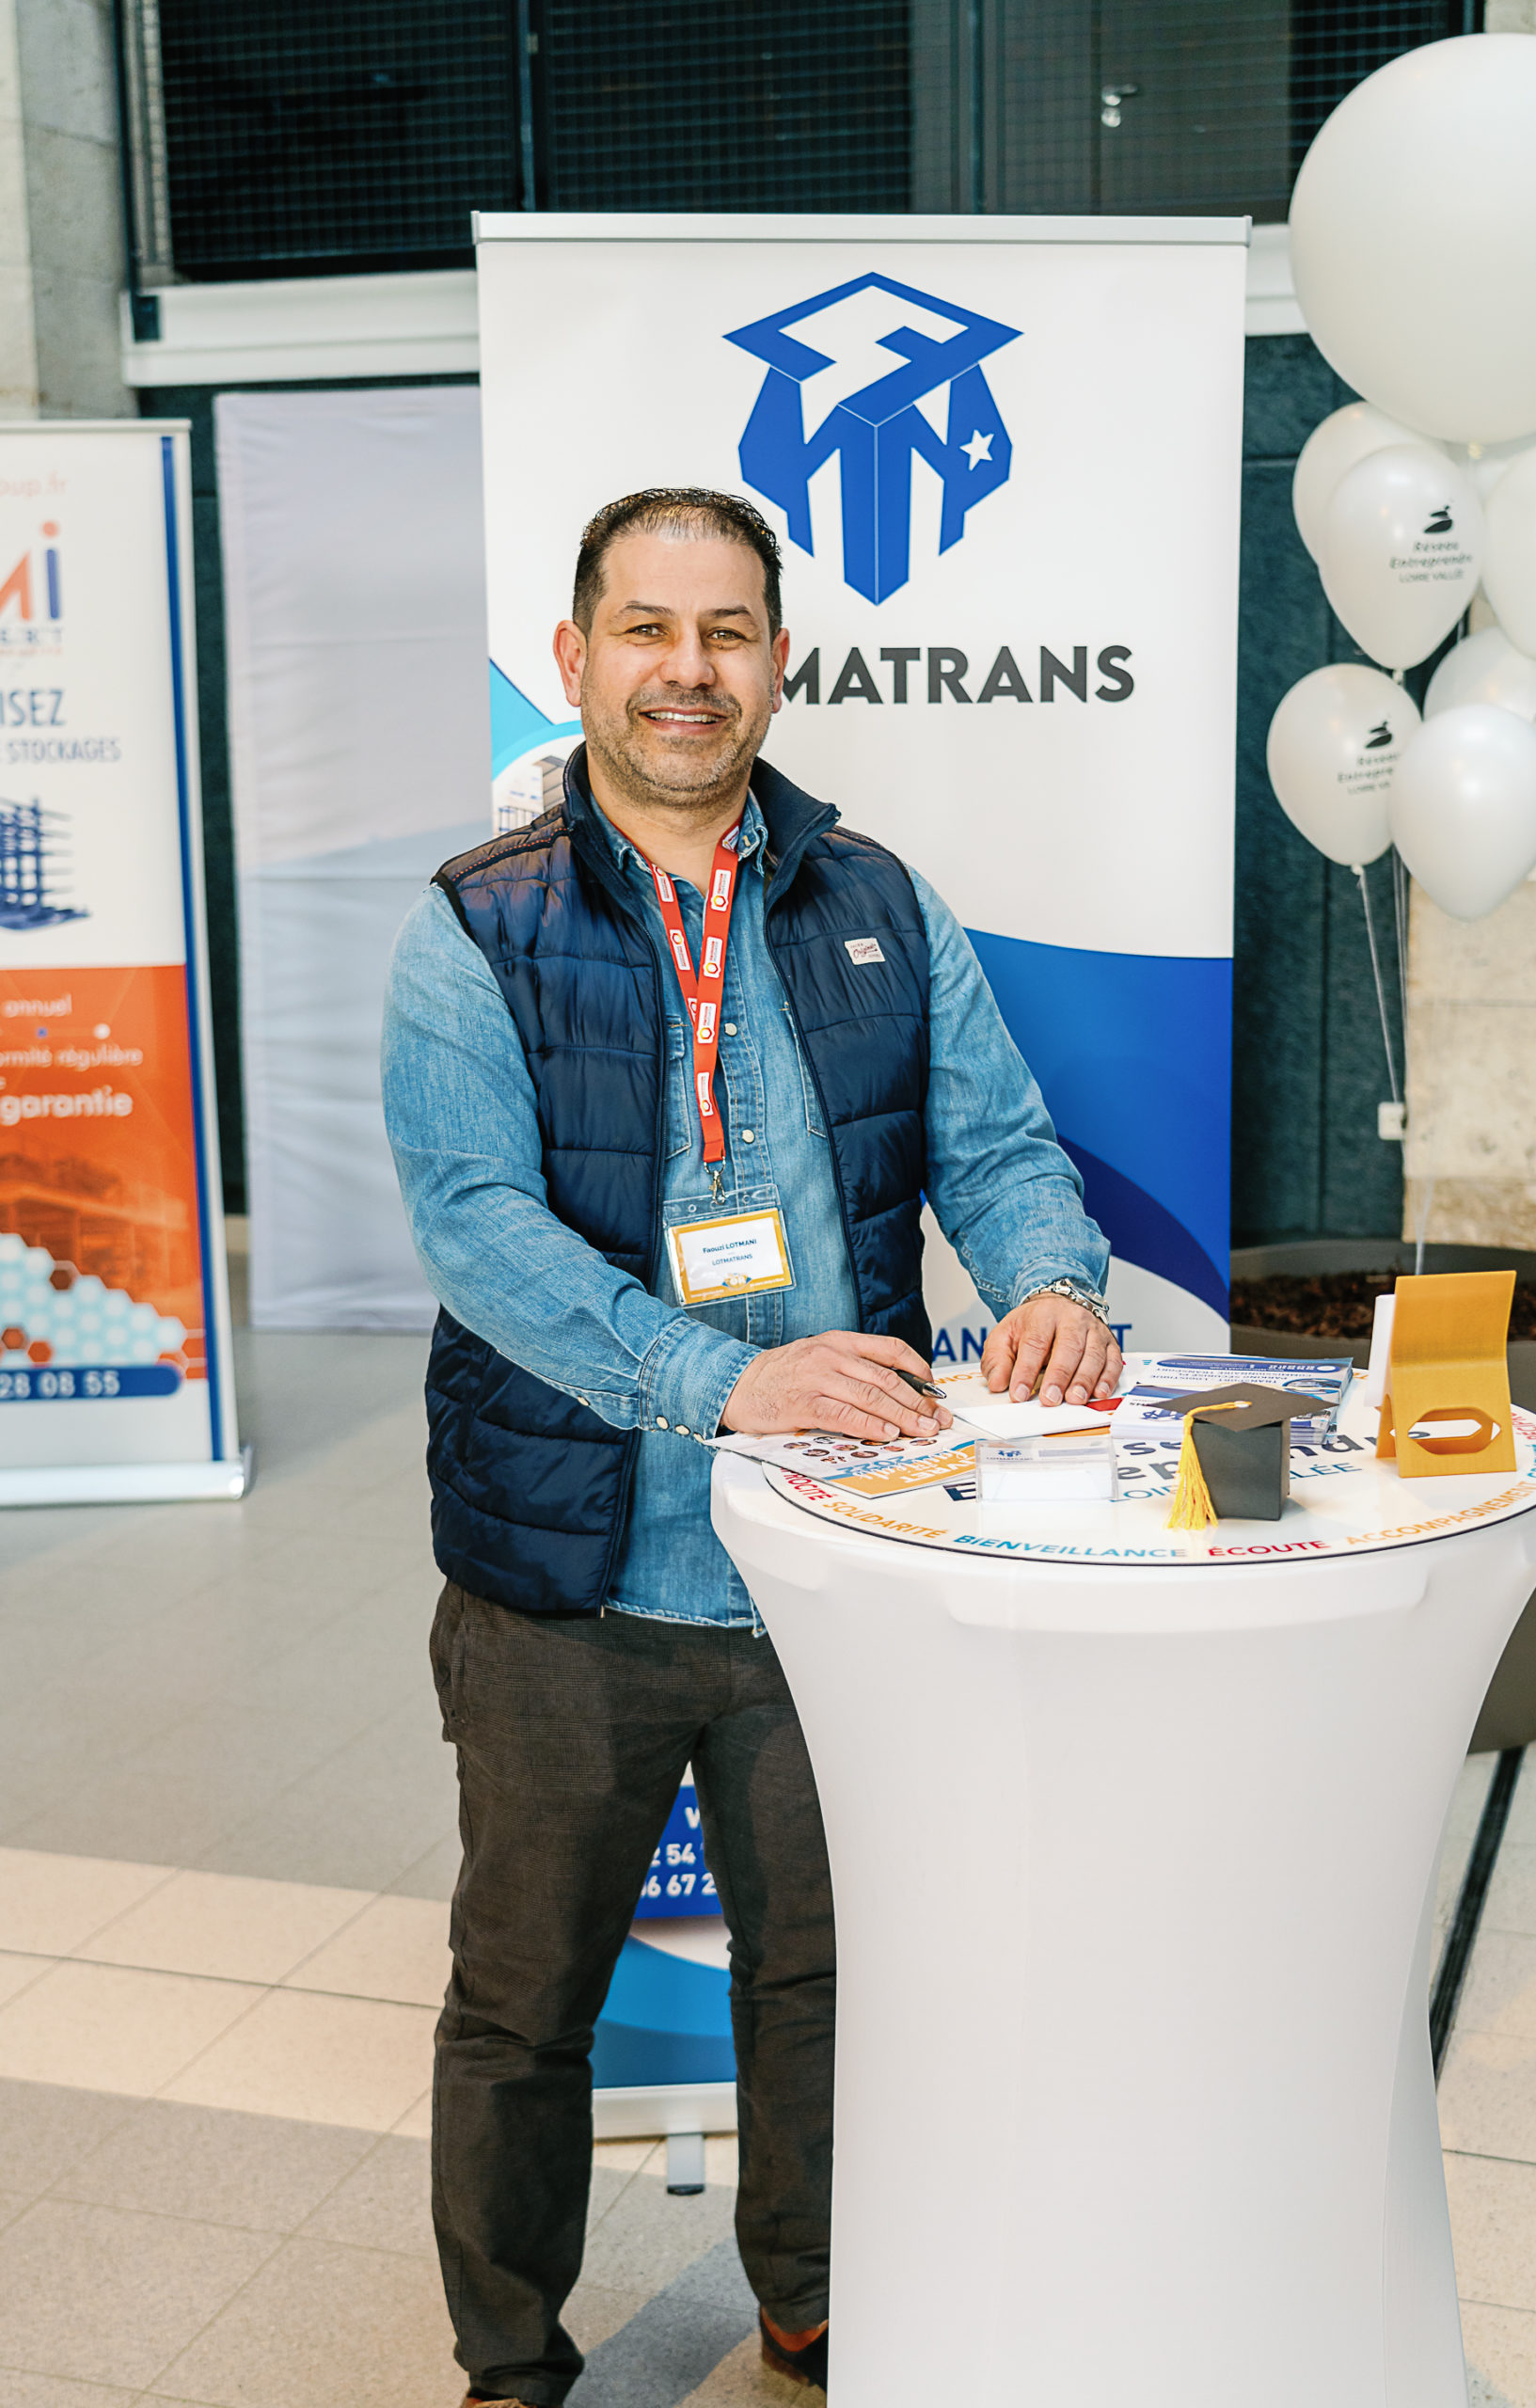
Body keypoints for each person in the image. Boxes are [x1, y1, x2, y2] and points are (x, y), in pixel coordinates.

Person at [381, 487, 1121, 2406]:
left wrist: (1052, 1285)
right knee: (522, 1999)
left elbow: (998, 1147)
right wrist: (717, 1378)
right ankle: (507, 2358)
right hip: (571, 1578)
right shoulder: (477, 923)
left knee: (826, 1978)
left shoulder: (878, 901)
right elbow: (475, 1228)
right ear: (576, 658)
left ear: (779, 661)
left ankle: (810, 2299)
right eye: (646, 628)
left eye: (725, 632)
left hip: (836, 1566)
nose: (685, 670)